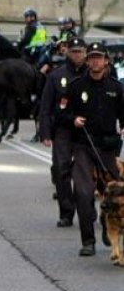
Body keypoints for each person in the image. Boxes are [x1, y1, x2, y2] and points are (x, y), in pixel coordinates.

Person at [62, 42, 124, 257]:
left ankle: (109, 228)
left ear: (106, 61)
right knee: (83, 192)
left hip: (108, 149)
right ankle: (88, 241)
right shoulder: (76, 86)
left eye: (100, 57)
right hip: (83, 146)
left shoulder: (117, 88)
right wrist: (73, 119)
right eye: (92, 57)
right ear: (87, 61)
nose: (96, 61)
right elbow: (62, 112)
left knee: (114, 194)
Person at [39, 37, 87, 228]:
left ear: (85, 53)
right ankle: (66, 212)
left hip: (86, 129)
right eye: (73, 51)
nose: (77, 55)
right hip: (63, 129)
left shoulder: (93, 74)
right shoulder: (57, 75)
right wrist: (45, 132)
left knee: (86, 173)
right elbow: (46, 105)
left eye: (80, 51)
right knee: (61, 169)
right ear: (67, 52)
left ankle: (87, 211)